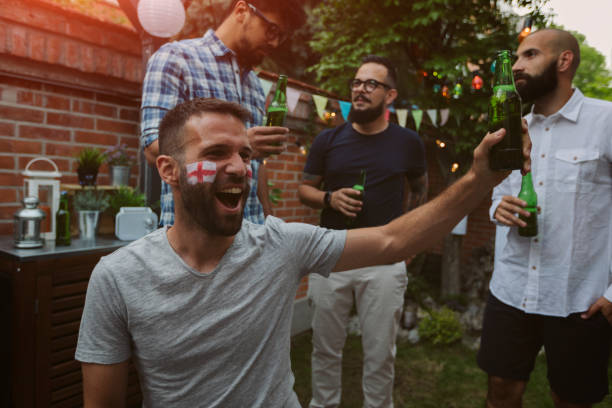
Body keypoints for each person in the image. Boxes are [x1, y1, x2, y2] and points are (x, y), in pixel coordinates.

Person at [76, 97, 528, 407]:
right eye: (217, 153)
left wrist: (480, 179)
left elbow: (394, 240)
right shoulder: (117, 277)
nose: (239, 168)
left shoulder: (280, 244)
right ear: (169, 171)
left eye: (245, 154)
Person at [478, 28, 612, 408]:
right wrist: (496, 207)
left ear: (564, 61)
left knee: (570, 398)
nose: (517, 66)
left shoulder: (605, 120)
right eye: (516, 58)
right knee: (502, 390)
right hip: (511, 286)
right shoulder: (510, 126)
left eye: (529, 56)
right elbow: (499, 191)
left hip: (579, 297)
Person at [297, 55, 427, 408]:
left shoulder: (407, 142)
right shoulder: (328, 140)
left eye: (372, 84)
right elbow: (304, 189)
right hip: (331, 256)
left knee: (380, 354)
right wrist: (329, 198)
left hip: (384, 260)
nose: (360, 89)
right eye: (356, 83)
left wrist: (409, 233)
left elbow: (420, 186)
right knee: (324, 348)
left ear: (390, 95)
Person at [140, 0, 306, 226]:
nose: (275, 42)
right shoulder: (176, 58)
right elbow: (153, 147)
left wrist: (269, 220)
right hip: (196, 239)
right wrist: (240, 145)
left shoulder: (255, 86)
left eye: (282, 37)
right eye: (272, 30)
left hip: (253, 235)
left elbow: (256, 165)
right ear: (242, 11)